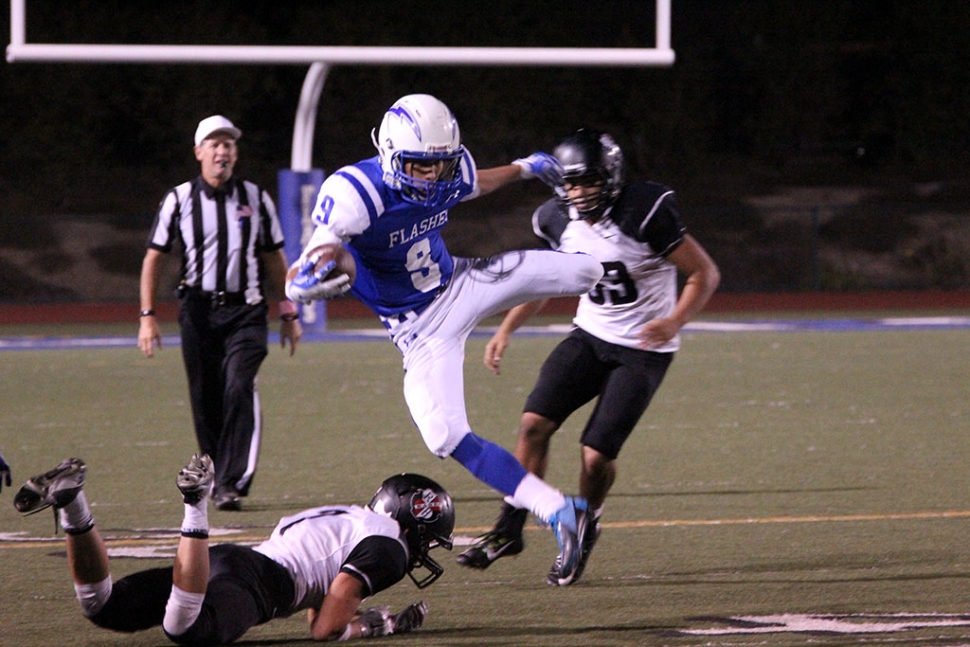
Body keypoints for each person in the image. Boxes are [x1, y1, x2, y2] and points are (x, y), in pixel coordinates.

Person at [285, 94, 605, 586]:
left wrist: (523, 168)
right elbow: (320, 251)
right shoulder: (357, 191)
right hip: (419, 329)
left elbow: (475, 183)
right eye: (418, 165)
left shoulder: (443, 168)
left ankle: (590, 229)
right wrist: (304, 277)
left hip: (463, 282)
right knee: (443, 434)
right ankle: (563, 511)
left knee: (588, 268)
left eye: (437, 166)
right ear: (391, 153)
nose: (429, 177)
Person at [456, 128, 721, 585]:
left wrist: (673, 322)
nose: (578, 193)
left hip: (642, 348)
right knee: (533, 425)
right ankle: (508, 527)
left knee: (595, 456)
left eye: (587, 182)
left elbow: (703, 272)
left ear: (611, 178)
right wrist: (506, 329)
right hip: (591, 334)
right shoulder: (556, 219)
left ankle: (587, 521)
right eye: (570, 184)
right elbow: (543, 280)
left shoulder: (644, 212)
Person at [13, 454, 453, 643]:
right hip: (258, 583)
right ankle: (195, 507)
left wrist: (363, 617)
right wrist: (371, 627)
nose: (424, 549)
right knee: (184, 631)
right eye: (429, 537)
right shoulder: (389, 547)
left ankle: (74, 506)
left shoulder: (355, 519)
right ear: (412, 519)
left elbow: (322, 603)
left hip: (233, 562)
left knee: (102, 606)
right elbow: (325, 630)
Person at [138, 115, 303, 511]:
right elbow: (153, 259)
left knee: (238, 384)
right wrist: (147, 315)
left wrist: (288, 310)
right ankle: (214, 472)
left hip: (245, 310)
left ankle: (232, 481)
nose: (223, 150)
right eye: (214, 143)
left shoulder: (255, 198)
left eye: (229, 144)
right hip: (197, 311)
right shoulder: (179, 200)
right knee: (205, 398)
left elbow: (274, 257)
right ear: (199, 153)